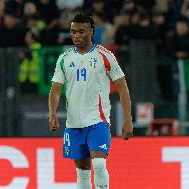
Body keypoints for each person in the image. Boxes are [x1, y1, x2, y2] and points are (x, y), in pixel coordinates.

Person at [48, 13, 133, 189]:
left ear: (91, 31)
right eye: (73, 32)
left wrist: (128, 119)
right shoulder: (64, 58)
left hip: (98, 121)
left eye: (81, 31)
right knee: (83, 172)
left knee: (99, 165)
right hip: (74, 124)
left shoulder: (105, 56)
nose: (76, 36)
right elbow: (55, 90)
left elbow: (122, 87)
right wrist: (52, 113)